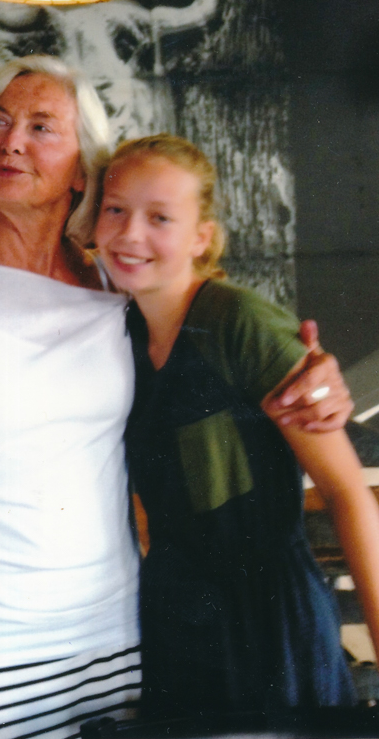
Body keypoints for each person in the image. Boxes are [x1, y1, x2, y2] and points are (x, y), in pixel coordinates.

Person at [0, 56, 353, 739]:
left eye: (40, 126)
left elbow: (221, 336)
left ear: (81, 170)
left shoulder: (114, 293)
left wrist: (319, 374)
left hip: (116, 628)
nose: (10, 141)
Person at [93, 133, 379, 720]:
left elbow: (348, 492)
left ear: (201, 237)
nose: (129, 234)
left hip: (270, 623)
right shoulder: (120, 332)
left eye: (160, 218)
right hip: (175, 623)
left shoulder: (240, 322)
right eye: (115, 209)